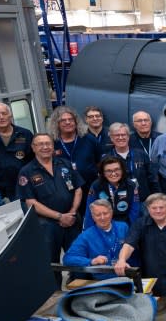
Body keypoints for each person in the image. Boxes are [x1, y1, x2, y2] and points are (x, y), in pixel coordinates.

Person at [16, 133, 84, 285]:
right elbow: (31, 202)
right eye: (40, 144)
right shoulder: (27, 171)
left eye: (48, 143)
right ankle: (55, 294)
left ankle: (79, 290)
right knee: (51, 261)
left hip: (72, 219)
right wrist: (60, 217)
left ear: (53, 146)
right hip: (47, 224)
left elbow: (78, 189)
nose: (45, 147)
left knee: (77, 257)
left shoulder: (65, 164)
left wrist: (72, 212)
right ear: (33, 148)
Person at [115, 193, 166, 310]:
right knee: (157, 308)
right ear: (148, 208)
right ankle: (160, 296)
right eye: (154, 208)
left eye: (161, 207)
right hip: (153, 280)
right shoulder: (140, 224)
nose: (158, 211)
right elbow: (129, 245)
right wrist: (122, 260)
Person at [64, 199, 130, 280]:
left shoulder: (123, 227)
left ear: (111, 212)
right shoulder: (86, 235)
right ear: (92, 216)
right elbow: (68, 258)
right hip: (101, 280)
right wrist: (91, 261)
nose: (102, 218)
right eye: (98, 215)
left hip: (126, 275)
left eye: (105, 213)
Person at [48, 105, 101, 203]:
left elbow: (99, 162)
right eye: (63, 120)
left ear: (76, 121)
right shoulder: (51, 143)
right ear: (56, 124)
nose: (68, 122)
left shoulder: (89, 139)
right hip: (65, 191)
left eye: (71, 119)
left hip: (90, 188)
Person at [105, 122, 159, 200]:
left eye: (123, 135)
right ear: (111, 138)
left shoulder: (141, 154)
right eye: (117, 135)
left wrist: (157, 197)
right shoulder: (107, 159)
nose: (120, 137)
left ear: (128, 137)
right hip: (120, 202)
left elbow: (152, 179)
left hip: (143, 200)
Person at [83, 156, 141, 229]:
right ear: (103, 173)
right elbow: (90, 210)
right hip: (102, 225)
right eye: (109, 171)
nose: (113, 174)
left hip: (124, 225)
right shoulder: (96, 186)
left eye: (117, 169)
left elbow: (135, 210)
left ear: (122, 170)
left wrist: (132, 230)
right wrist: (89, 232)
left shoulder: (131, 185)